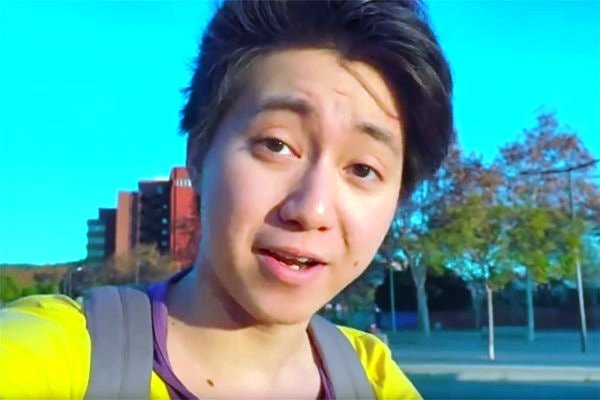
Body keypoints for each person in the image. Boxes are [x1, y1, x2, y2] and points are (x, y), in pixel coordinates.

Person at [0, 0, 453, 398]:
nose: (311, 210)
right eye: (276, 144)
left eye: (363, 169)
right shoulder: (60, 355)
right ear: (199, 153)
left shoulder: (372, 378)